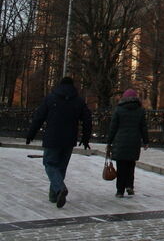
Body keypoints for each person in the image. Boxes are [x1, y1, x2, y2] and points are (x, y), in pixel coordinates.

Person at [25, 76, 93, 208]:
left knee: (50, 164)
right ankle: (54, 195)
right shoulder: (78, 101)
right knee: (61, 167)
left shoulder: (51, 98)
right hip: (69, 139)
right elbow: (87, 119)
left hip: (52, 137)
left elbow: (38, 117)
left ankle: (60, 188)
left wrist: (31, 134)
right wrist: (85, 138)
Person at [106, 88, 149, 197]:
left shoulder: (119, 110)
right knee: (131, 165)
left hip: (120, 141)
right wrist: (145, 141)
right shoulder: (140, 110)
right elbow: (143, 127)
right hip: (134, 142)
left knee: (121, 166)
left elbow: (113, 127)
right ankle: (129, 186)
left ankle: (120, 191)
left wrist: (109, 142)